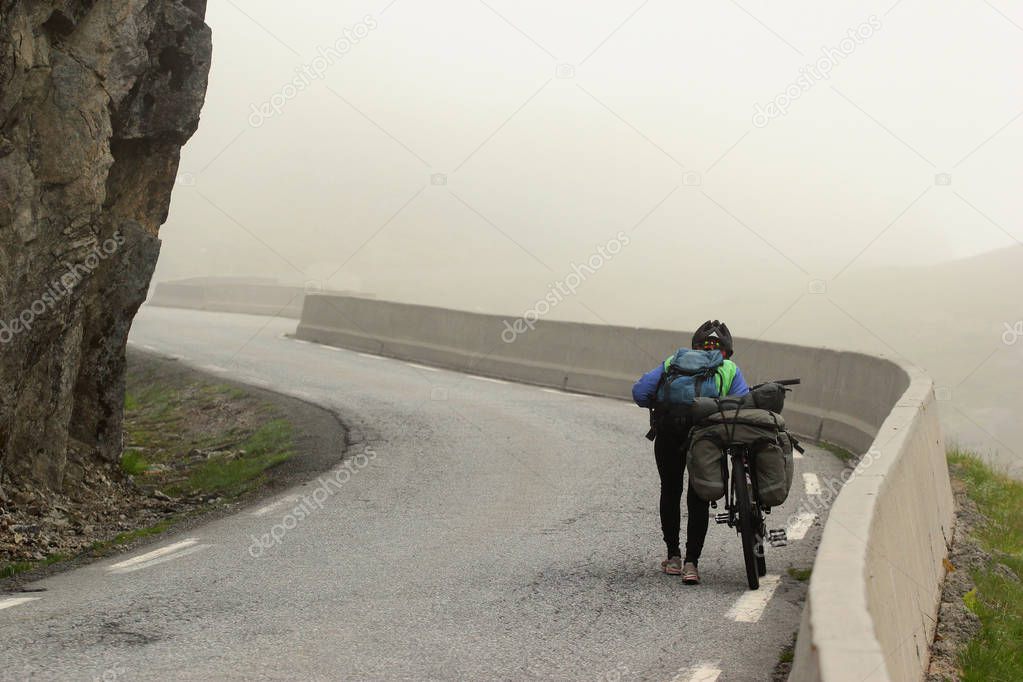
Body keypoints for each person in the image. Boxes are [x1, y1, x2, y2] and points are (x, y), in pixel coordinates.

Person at [631, 320, 750, 584]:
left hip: (669, 432)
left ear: (694, 346)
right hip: (706, 437)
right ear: (728, 351)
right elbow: (742, 404)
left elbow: (640, 393)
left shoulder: (673, 361)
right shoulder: (729, 368)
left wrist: (663, 405)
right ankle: (691, 564)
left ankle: (673, 557)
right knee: (699, 495)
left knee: (670, 490)